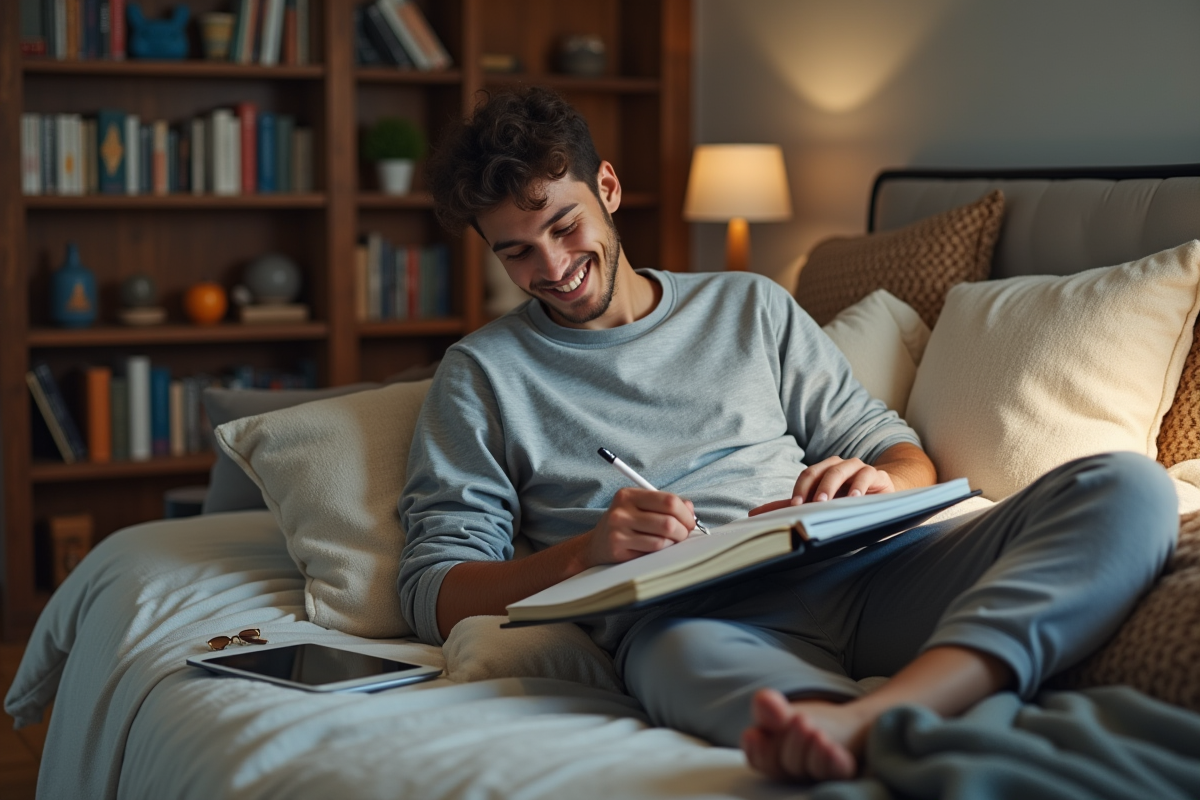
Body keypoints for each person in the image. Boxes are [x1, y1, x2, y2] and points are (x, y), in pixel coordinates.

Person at [398, 86, 1178, 783]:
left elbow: (897, 450)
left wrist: (878, 483)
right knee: (674, 662)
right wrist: (584, 554)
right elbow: (431, 591)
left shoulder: (750, 306)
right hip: (696, 624)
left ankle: (897, 710)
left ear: (606, 187)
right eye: (517, 252)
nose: (553, 266)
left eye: (564, 227)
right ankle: (857, 728)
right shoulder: (481, 375)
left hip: (864, 570)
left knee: (1124, 484)